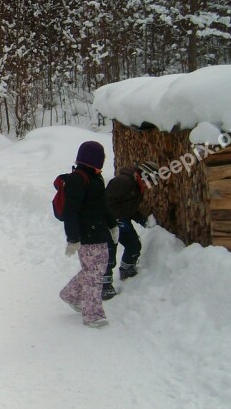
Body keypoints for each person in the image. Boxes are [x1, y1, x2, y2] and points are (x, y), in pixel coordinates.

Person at [59, 141, 118, 328]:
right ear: (94, 159)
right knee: (95, 273)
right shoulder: (78, 179)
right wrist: (73, 238)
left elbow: (102, 205)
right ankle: (92, 314)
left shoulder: (95, 178)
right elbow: (71, 211)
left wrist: (112, 224)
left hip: (98, 231)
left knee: (94, 270)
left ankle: (70, 294)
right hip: (86, 234)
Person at [102, 161, 158, 298]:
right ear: (144, 176)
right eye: (150, 182)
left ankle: (127, 269)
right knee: (109, 252)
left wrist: (141, 219)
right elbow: (107, 202)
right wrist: (116, 219)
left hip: (121, 220)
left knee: (134, 245)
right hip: (107, 222)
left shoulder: (137, 187)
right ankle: (104, 286)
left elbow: (129, 208)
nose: (150, 186)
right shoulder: (122, 182)